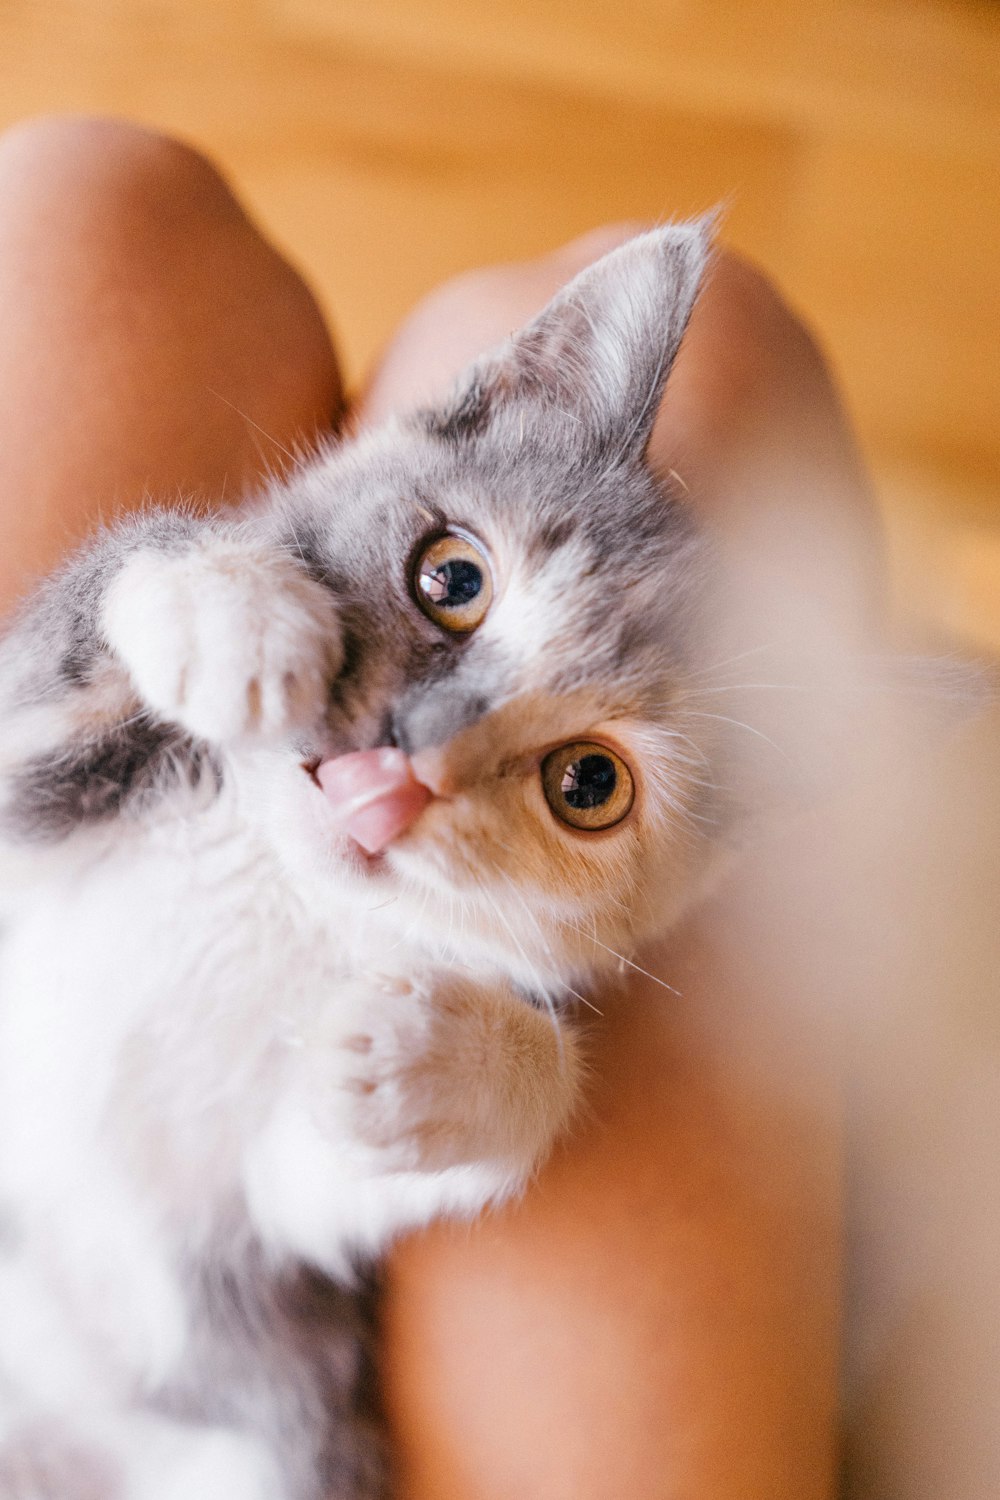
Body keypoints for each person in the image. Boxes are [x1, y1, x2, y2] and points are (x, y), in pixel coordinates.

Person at [0, 115, 879, 1499]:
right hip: (178, 1374)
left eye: (586, 783)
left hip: (165, 1417)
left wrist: (491, 1071)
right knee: (727, 359)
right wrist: (183, 588)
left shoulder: (440, 936)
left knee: (88, 208)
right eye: (453, 583)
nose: (435, 741)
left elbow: (29, 778)